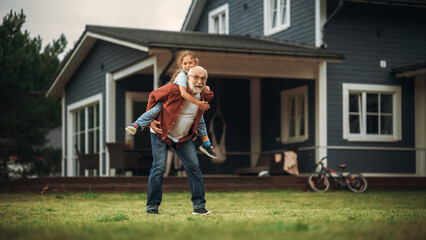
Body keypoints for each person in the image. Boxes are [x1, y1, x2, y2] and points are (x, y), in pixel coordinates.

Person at [125, 51, 217, 159]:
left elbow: (201, 85)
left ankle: (206, 144)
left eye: (190, 63)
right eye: (185, 63)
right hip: (168, 98)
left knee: (199, 116)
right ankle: (136, 124)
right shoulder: (183, 75)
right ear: (181, 65)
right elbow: (183, 93)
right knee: (156, 110)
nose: (187, 66)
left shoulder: (197, 74)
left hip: (184, 102)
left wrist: (207, 88)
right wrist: (198, 103)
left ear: (196, 63)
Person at [146, 66, 212, 215]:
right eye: (196, 77)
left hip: (183, 137)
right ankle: (152, 207)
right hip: (161, 132)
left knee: (194, 167)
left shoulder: (203, 95)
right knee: (159, 168)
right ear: (188, 77)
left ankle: (199, 207)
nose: (199, 81)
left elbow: (200, 115)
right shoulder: (174, 89)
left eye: (203, 78)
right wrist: (151, 120)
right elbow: (153, 96)